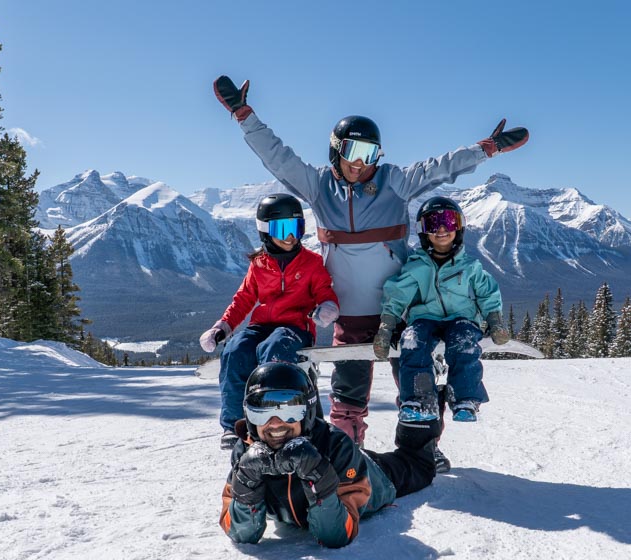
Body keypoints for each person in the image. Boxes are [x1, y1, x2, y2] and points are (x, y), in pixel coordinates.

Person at [213, 74, 529, 446]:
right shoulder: (318, 187)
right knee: (347, 396)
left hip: (398, 311)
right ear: (336, 150)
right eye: (353, 153)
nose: (361, 164)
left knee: (416, 386)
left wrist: (486, 149)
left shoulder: (394, 182)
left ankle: (423, 451)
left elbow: (442, 167)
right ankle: (349, 451)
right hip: (347, 313)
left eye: (370, 154)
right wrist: (244, 114)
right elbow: (278, 158)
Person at [220, 361, 440, 548]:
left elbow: (337, 536)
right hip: (343, 459)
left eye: (289, 411)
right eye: (261, 412)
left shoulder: (336, 447)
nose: (275, 424)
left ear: (307, 412)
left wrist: (319, 477)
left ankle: (427, 406)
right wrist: (246, 484)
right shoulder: (245, 452)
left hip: (376, 475)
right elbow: (241, 534)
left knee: (421, 465)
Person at [200, 194, 339, 450]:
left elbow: (324, 292)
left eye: (296, 228)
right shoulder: (259, 264)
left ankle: (276, 418)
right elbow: (243, 299)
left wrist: (326, 308)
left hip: (294, 329)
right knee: (236, 349)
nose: (290, 237)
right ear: (265, 231)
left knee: (275, 347)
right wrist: (223, 327)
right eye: (282, 229)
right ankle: (234, 425)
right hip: (261, 326)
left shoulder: (311, 263)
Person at [374, 196, 511, 427]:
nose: (441, 230)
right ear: (422, 230)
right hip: (424, 319)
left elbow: (487, 293)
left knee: (464, 341)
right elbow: (396, 296)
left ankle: (465, 398)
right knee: (412, 341)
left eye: (448, 221)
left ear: (458, 227)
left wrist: (495, 321)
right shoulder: (416, 266)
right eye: (433, 223)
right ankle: (417, 400)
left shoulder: (469, 266)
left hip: (461, 318)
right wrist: (386, 327)